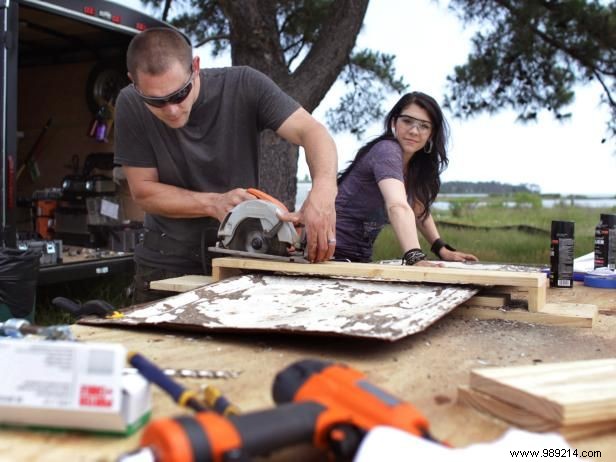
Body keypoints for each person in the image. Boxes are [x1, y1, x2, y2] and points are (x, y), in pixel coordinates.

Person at [114, 28, 337, 303]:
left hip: (241, 258)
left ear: (195, 67)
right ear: (134, 84)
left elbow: (312, 132)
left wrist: (323, 193)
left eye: (179, 94)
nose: (171, 109)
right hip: (165, 263)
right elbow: (143, 191)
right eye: (156, 101)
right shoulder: (130, 103)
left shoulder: (244, 84)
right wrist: (213, 203)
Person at [334, 92, 477, 266]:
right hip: (330, 252)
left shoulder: (413, 164)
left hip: (357, 258)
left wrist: (441, 248)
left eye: (424, 126)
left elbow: (418, 207)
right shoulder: (387, 151)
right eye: (407, 121)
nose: (414, 131)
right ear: (394, 122)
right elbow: (397, 205)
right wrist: (414, 257)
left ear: (431, 134)